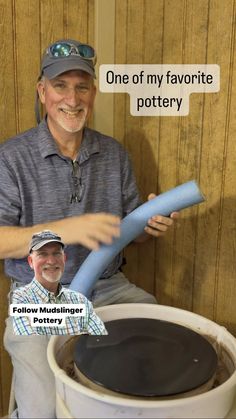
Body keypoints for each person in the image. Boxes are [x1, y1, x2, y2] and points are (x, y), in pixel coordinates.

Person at [1, 39, 178, 418]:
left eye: (82, 86)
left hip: (109, 289)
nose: (73, 98)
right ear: (42, 91)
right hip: (41, 301)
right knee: (42, 411)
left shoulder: (114, 154)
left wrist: (149, 224)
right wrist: (68, 228)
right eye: (61, 85)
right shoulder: (12, 157)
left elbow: (134, 231)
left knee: (164, 354)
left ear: (93, 92)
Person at [12, 230, 107, 336]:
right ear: (30, 261)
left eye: (56, 254)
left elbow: (98, 332)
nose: (51, 261)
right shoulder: (22, 297)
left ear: (64, 258)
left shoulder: (78, 298)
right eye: (43, 254)